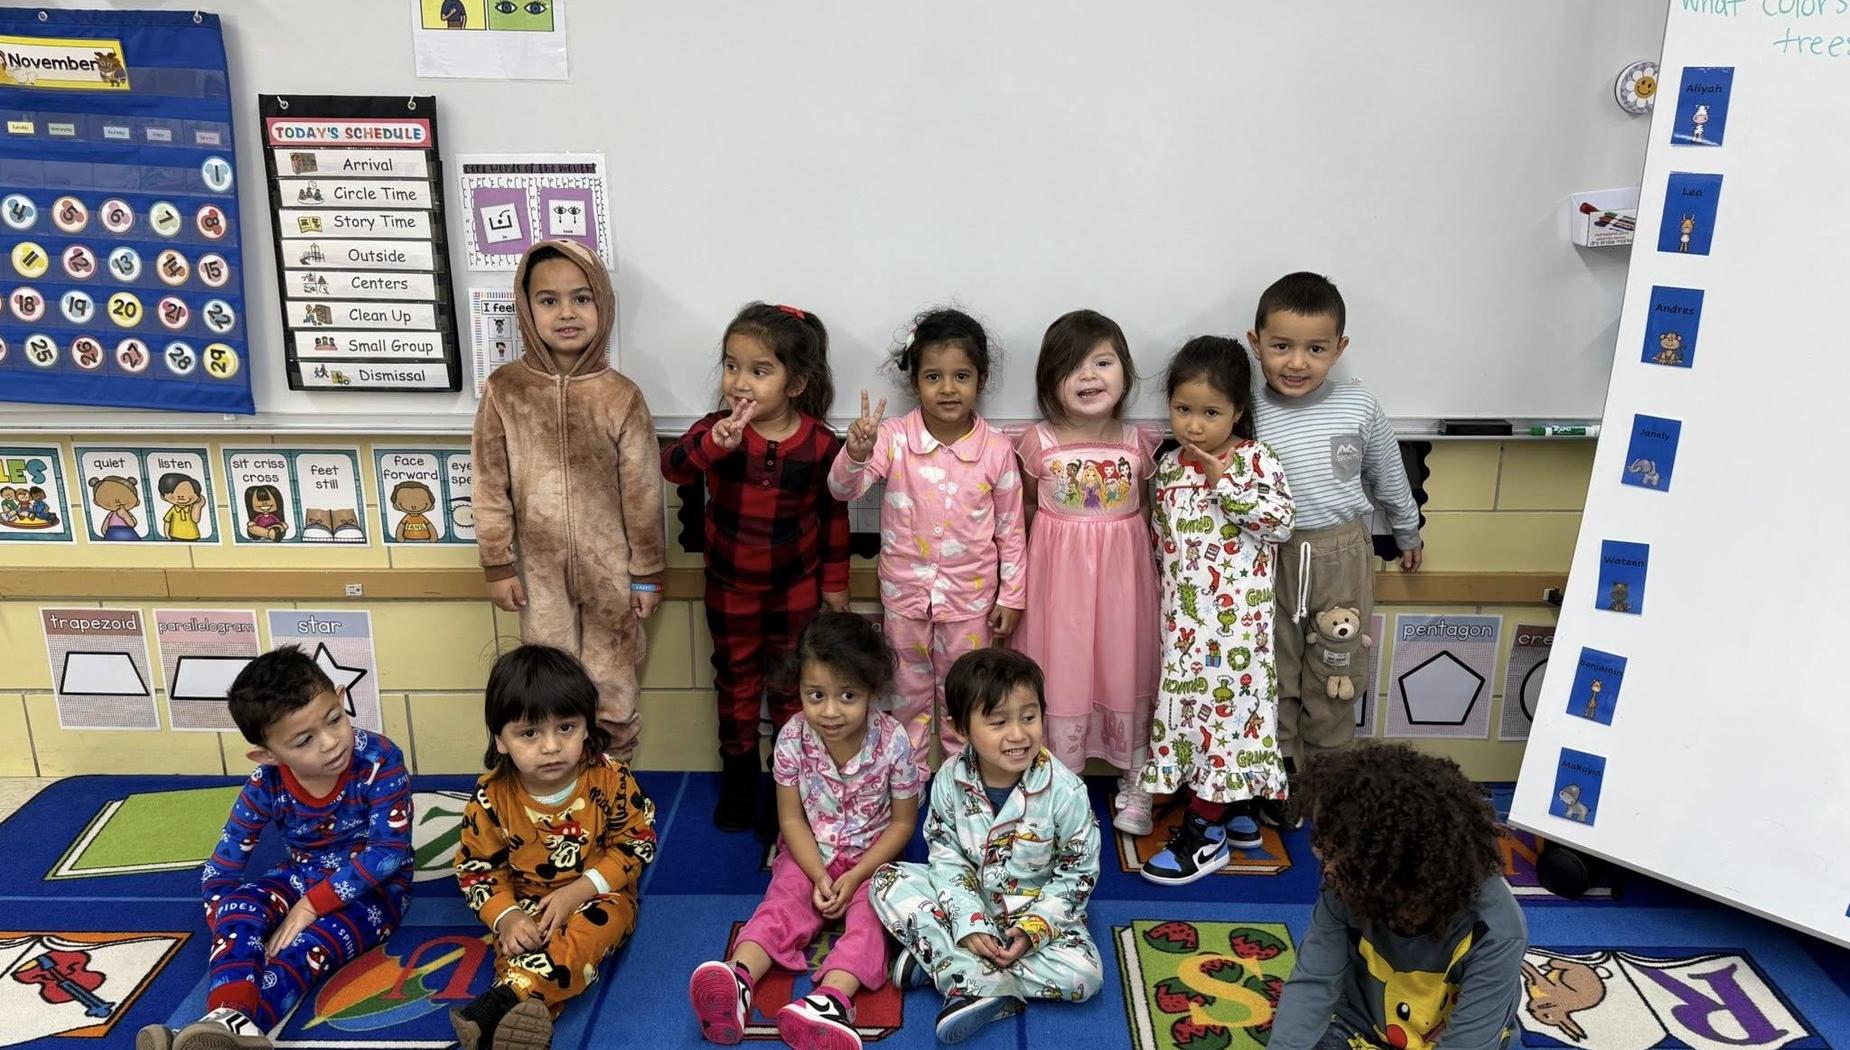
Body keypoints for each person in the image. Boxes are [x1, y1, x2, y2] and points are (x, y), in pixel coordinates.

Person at [136, 646, 412, 1050]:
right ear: (267, 755)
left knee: (307, 945)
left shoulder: (379, 758)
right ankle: (228, 1022)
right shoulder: (265, 783)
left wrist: (311, 906)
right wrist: (234, 937)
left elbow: (387, 853)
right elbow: (222, 871)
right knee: (237, 907)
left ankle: (226, 1029)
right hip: (299, 874)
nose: (332, 742)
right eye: (304, 741)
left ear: (340, 697)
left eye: (335, 719)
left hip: (377, 892)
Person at [689, 613, 921, 1050]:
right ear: (797, 688)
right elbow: (791, 819)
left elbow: (904, 824)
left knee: (873, 920)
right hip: (809, 850)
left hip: (876, 858)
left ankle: (830, 1000)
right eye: (816, 695)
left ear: (872, 692)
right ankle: (738, 978)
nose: (830, 711)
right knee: (781, 903)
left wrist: (855, 876)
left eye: (847, 696)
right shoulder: (792, 737)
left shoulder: (894, 742)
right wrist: (817, 873)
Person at [473, 239, 665, 764]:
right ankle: (555, 789)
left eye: (581, 298)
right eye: (549, 300)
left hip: (613, 573)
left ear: (602, 304)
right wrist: (496, 562)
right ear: (526, 308)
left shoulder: (620, 395)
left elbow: (644, 495)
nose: (566, 313)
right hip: (537, 573)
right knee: (550, 684)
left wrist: (646, 572)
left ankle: (613, 788)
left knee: (612, 683)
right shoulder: (504, 391)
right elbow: (490, 486)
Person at [662, 303, 849, 838]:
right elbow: (671, 466)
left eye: (759, 370)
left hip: (796, 589)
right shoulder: (716, 433)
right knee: (737, 683)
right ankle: (740, 778)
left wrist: (835, 584)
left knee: (792, 688)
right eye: (731, 366)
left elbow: (834, 513)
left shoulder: (819, 443)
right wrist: (707, 448)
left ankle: (789, 786)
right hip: (729, 588)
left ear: (796, 384)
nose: (740, 382)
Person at [1246, 272, 1423, 828]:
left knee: (1334, 665)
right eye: (1281, 347)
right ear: (1256, 343)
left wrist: (1407, 531)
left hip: (1341, 553)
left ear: (1338, 349)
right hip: (1267, 555)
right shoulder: (1245, 409)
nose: (1296, 363)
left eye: (1315, 349)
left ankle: (1329, 780)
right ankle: (1277, 779)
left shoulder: (1358, 405)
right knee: (1273, 667)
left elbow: (1388, 474)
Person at [869, 648, 1100, 1044]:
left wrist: (1031, 931)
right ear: (960, 728)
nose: (1018, 734)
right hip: (965, 902)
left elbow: (1077, 876)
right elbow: (944, 857)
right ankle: (970, 971)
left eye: (1029, 717)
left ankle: (948, 966)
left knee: (1085, 977)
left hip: (1033, 917)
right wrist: (968, 921)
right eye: (998, 722)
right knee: (887, 880)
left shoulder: (1066, 791)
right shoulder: (948, 779)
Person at [829, 309, 1026, 770]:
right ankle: (908, 779)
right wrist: (855, 452)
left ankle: (965, 780)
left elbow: (1012, 532)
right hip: (904, 597)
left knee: (966, 694)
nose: (948, 388)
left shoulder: (996, 449)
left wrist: (1012, 595)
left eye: (961, 376)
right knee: (905, 695)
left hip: (971, 601)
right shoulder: (892, 438)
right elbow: (841, 490)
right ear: (915, 381)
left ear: (982, 379)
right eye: (933, 376)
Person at [1137, 337, 1295, 884]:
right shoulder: (1168, 469)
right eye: (1184, 410)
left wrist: (1225, 485)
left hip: (1236, 637)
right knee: (1191, 723)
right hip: (1183, 631)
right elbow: (1163, 549)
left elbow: (1279, 523)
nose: (1195, 426)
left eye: (1211, 413)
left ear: (1238, 412)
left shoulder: (1255, 460)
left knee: (1229, 724)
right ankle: (1233, 812)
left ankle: (1206, 832)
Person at [451, 645, 657, 1050]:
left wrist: (578, 892)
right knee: (516, 949)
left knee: (589, 936)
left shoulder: (609, 778)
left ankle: (500, 1005)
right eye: (530, 733)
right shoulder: (491, 798)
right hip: (526, 902)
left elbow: (638, 842)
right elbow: (478, 870)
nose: (550, 746)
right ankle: (524, 1014)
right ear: (502, 740)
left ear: (586, 727)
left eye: (566, 727)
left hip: (600, 893)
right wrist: (507, 918)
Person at [1269, 744, 1526, 1050]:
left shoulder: (1496, 931)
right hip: (1362, 1030)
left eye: (1334, 858)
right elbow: (1313, 984)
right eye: (1324, 857)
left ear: (1397, 869)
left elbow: (1467, 1043)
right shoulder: (1345, 884)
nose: (1326, 871)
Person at [1010, 309, 1160, 832]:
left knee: (1127, 662)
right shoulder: (1037, 443)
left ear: (1126, 373)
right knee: (1063, 665)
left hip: (1124, 584)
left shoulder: (1141, 443)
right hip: (1060, 585)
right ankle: (1058, 780)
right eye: (1073, 366)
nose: (1090, 376)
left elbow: (1148, 512)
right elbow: (1026, 510)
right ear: (1049, 379)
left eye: (1103, 362)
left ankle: (1136, 778)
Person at [159, 472, 206, 541]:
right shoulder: (173, 510)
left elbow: (195, 519)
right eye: (174, 493)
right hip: (175, 535)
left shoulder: (192, 508)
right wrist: (167, 534)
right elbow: (167, 522)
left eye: (187, 492)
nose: (181, 496)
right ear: (163, 496)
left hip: (193, 536)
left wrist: (198, 506)